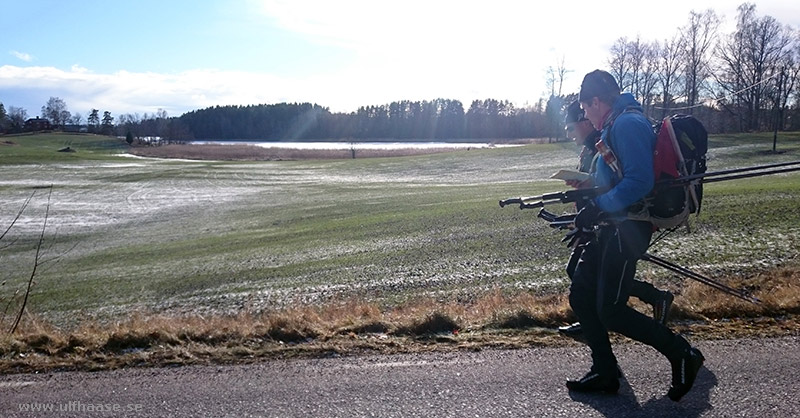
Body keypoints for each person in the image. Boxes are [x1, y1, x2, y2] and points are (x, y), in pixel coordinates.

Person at [565, 70, 704, 402]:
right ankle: (605, 371)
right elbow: (617, 178)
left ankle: (682, 353)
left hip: (627, 228)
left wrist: (598, 205)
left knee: (611, 308)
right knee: (582, 295)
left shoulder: (627, 124)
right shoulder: (616, 124)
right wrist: (589, 193)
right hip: (612, 225)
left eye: (585, 108)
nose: (584, 115)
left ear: (596, 101)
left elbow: (640, 181)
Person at [558, 100, 674, 342]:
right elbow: (607, 181)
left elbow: (633, 182)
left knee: (607, 302)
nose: (568, 134)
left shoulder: (614, 133)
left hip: (616, 222)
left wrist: (595, 208)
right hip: (602, 220)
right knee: (585, 279)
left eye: (570, 127)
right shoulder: (599, 140)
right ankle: (596, 327)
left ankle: (677, 347)